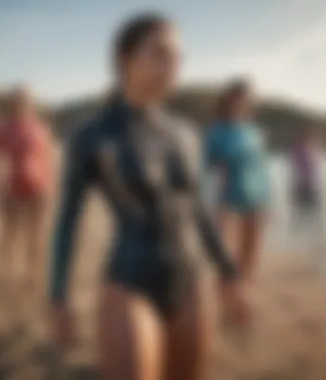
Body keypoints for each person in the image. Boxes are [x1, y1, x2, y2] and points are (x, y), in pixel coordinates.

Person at [49, 13, 249, 380]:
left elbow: (199, 212)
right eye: (159, 53)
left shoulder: (186, 134)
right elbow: (67, 223)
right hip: (130, 284)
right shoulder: (93, 136)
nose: (172, 65)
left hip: (191, 281)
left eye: (177, 57)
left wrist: (229, 274)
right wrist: (59, 299)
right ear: (124, 59)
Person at [0, 86, 54, 290]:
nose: (22, 104)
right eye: (17, 100)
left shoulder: (41, 129)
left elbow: (47, 158)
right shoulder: (4, 129)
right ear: (12, 103)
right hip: (12, 188)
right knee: (10, 232)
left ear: (32, 104)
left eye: (25, 100)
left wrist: (50, 185)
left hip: (38, 188)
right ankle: (6, 273)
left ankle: (33, 274)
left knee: (36, 234)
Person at [206, 79, 270, 283]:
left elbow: (261, 167)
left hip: (257, 194)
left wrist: (268, 197)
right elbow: (207, 167)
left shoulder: (256, 132)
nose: (242, 102)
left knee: (252, 249)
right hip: (228, 196)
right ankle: (227, 289)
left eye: (247, 98)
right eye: (238, 97)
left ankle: (243, 289)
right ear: (228, 99)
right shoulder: (217, 131)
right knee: (224, 251)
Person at [290, 125, 324, 255]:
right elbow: (300, 168)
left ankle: (308, 241)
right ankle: (305, 242)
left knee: (308, 215)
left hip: (309, 186)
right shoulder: (303, 151)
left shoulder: (308, 150)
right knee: (306, 215)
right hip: (305, 187)